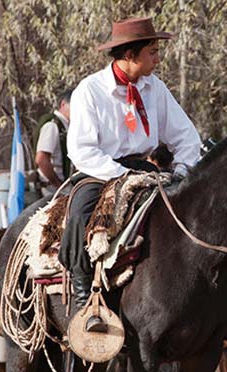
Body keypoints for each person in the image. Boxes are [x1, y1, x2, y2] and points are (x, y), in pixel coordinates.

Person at [62, 17, 201, 332]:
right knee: (82, 215)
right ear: (129, 55)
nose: (158, 58)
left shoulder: (156, 88)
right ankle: (87, 301)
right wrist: (121, 174)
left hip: (149, 169)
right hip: (100, 173)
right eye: (152, 51)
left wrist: (180, 173)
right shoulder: (90, 90)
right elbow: (82, 151)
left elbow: (187, 138)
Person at [34, 90, 72, 195]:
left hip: (61, 187)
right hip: (51, 189)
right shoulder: (52, 126)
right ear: (63, 104)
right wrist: (58, 184)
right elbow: (41, 159)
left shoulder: (64, 127)